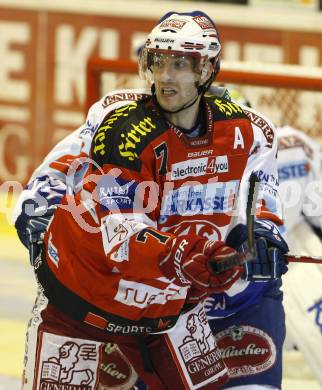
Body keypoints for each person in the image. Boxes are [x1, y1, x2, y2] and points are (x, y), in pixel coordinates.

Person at [13, 11, 289, 390]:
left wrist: (260, 231)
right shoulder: (120, 125)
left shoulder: (248, 131)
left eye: (179, 63)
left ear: (207, 69)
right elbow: (116, 228)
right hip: (87, 296)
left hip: (170, 302)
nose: (165, 75)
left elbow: (263, 190)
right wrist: (36, 211)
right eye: (158, 62)